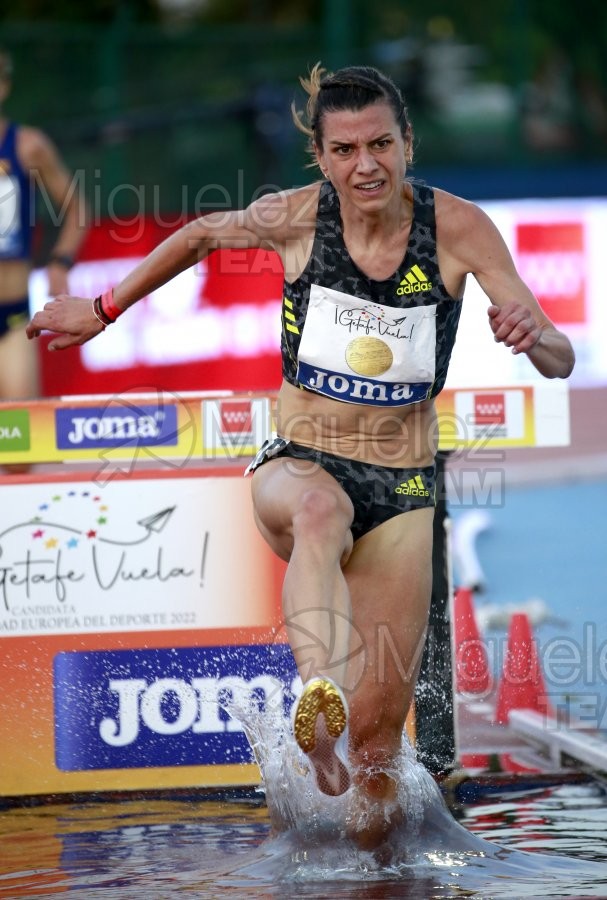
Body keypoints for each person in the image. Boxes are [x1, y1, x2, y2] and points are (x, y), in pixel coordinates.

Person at [26, 63, 575, 850]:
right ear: (320, 157)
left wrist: (539, 339)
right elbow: (200, 234)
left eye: (381, 143)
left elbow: (555, 355)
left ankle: (363, 845)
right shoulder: (293, 217)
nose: (366, 165)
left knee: (382, 756)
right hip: (301, 460)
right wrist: (103, 310)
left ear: (407, 143)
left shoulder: (457, 229)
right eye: (346, 149)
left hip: (405, 484)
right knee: (320, 513)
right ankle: (320, 702)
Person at [0, 46, 88, 401]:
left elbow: (76, 208)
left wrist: (61, 260)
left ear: (4, 87)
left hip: (12, 316)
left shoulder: (26, 146)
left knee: (20, 443)